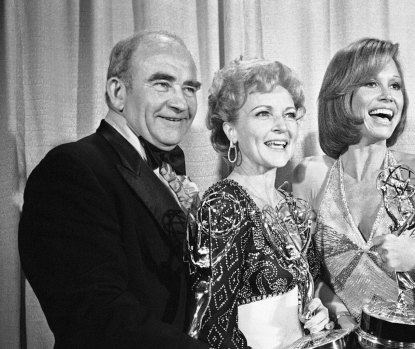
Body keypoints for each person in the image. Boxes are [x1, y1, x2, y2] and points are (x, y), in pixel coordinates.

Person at [18, 31, 208, 348]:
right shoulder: (70, 170)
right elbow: (98, 319)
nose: (180, 102)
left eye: (189, 88)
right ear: (117, 92)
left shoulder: (167, 170)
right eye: (162, 83)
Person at [293, 38, 415, 332]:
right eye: (371, 84)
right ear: (341, 95)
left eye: (395, 86)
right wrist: (339, 313)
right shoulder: (311, 176)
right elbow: (304, 275)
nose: (388, 96)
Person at [192, 58, 330, 348]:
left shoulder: (293, 206)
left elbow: (311, 287)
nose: (282, 127)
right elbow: (214, 329)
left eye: (289, 114)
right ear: (231, 131)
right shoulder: (224, 204)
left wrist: (318, 313)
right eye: (263, 114)